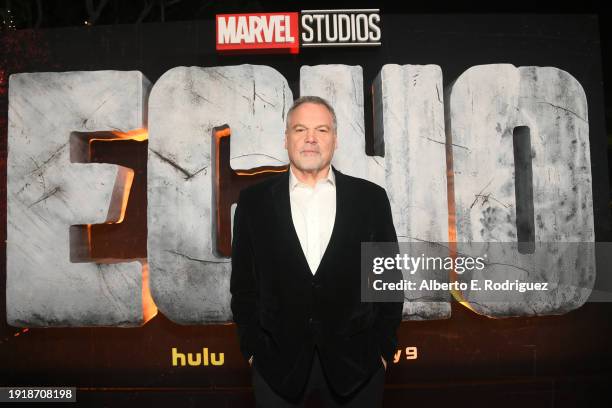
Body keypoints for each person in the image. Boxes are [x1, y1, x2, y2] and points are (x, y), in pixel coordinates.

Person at [230, 95, 403, 407]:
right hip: (277, 370)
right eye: (300, 129)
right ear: (286, 139)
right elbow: (243, 287)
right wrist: (253, 351)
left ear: (335, 140)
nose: (310, 138)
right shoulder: (253, 203)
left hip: (357, 370)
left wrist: (383, 351)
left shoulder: (371, 199)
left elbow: (388, 284)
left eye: (321, 130)